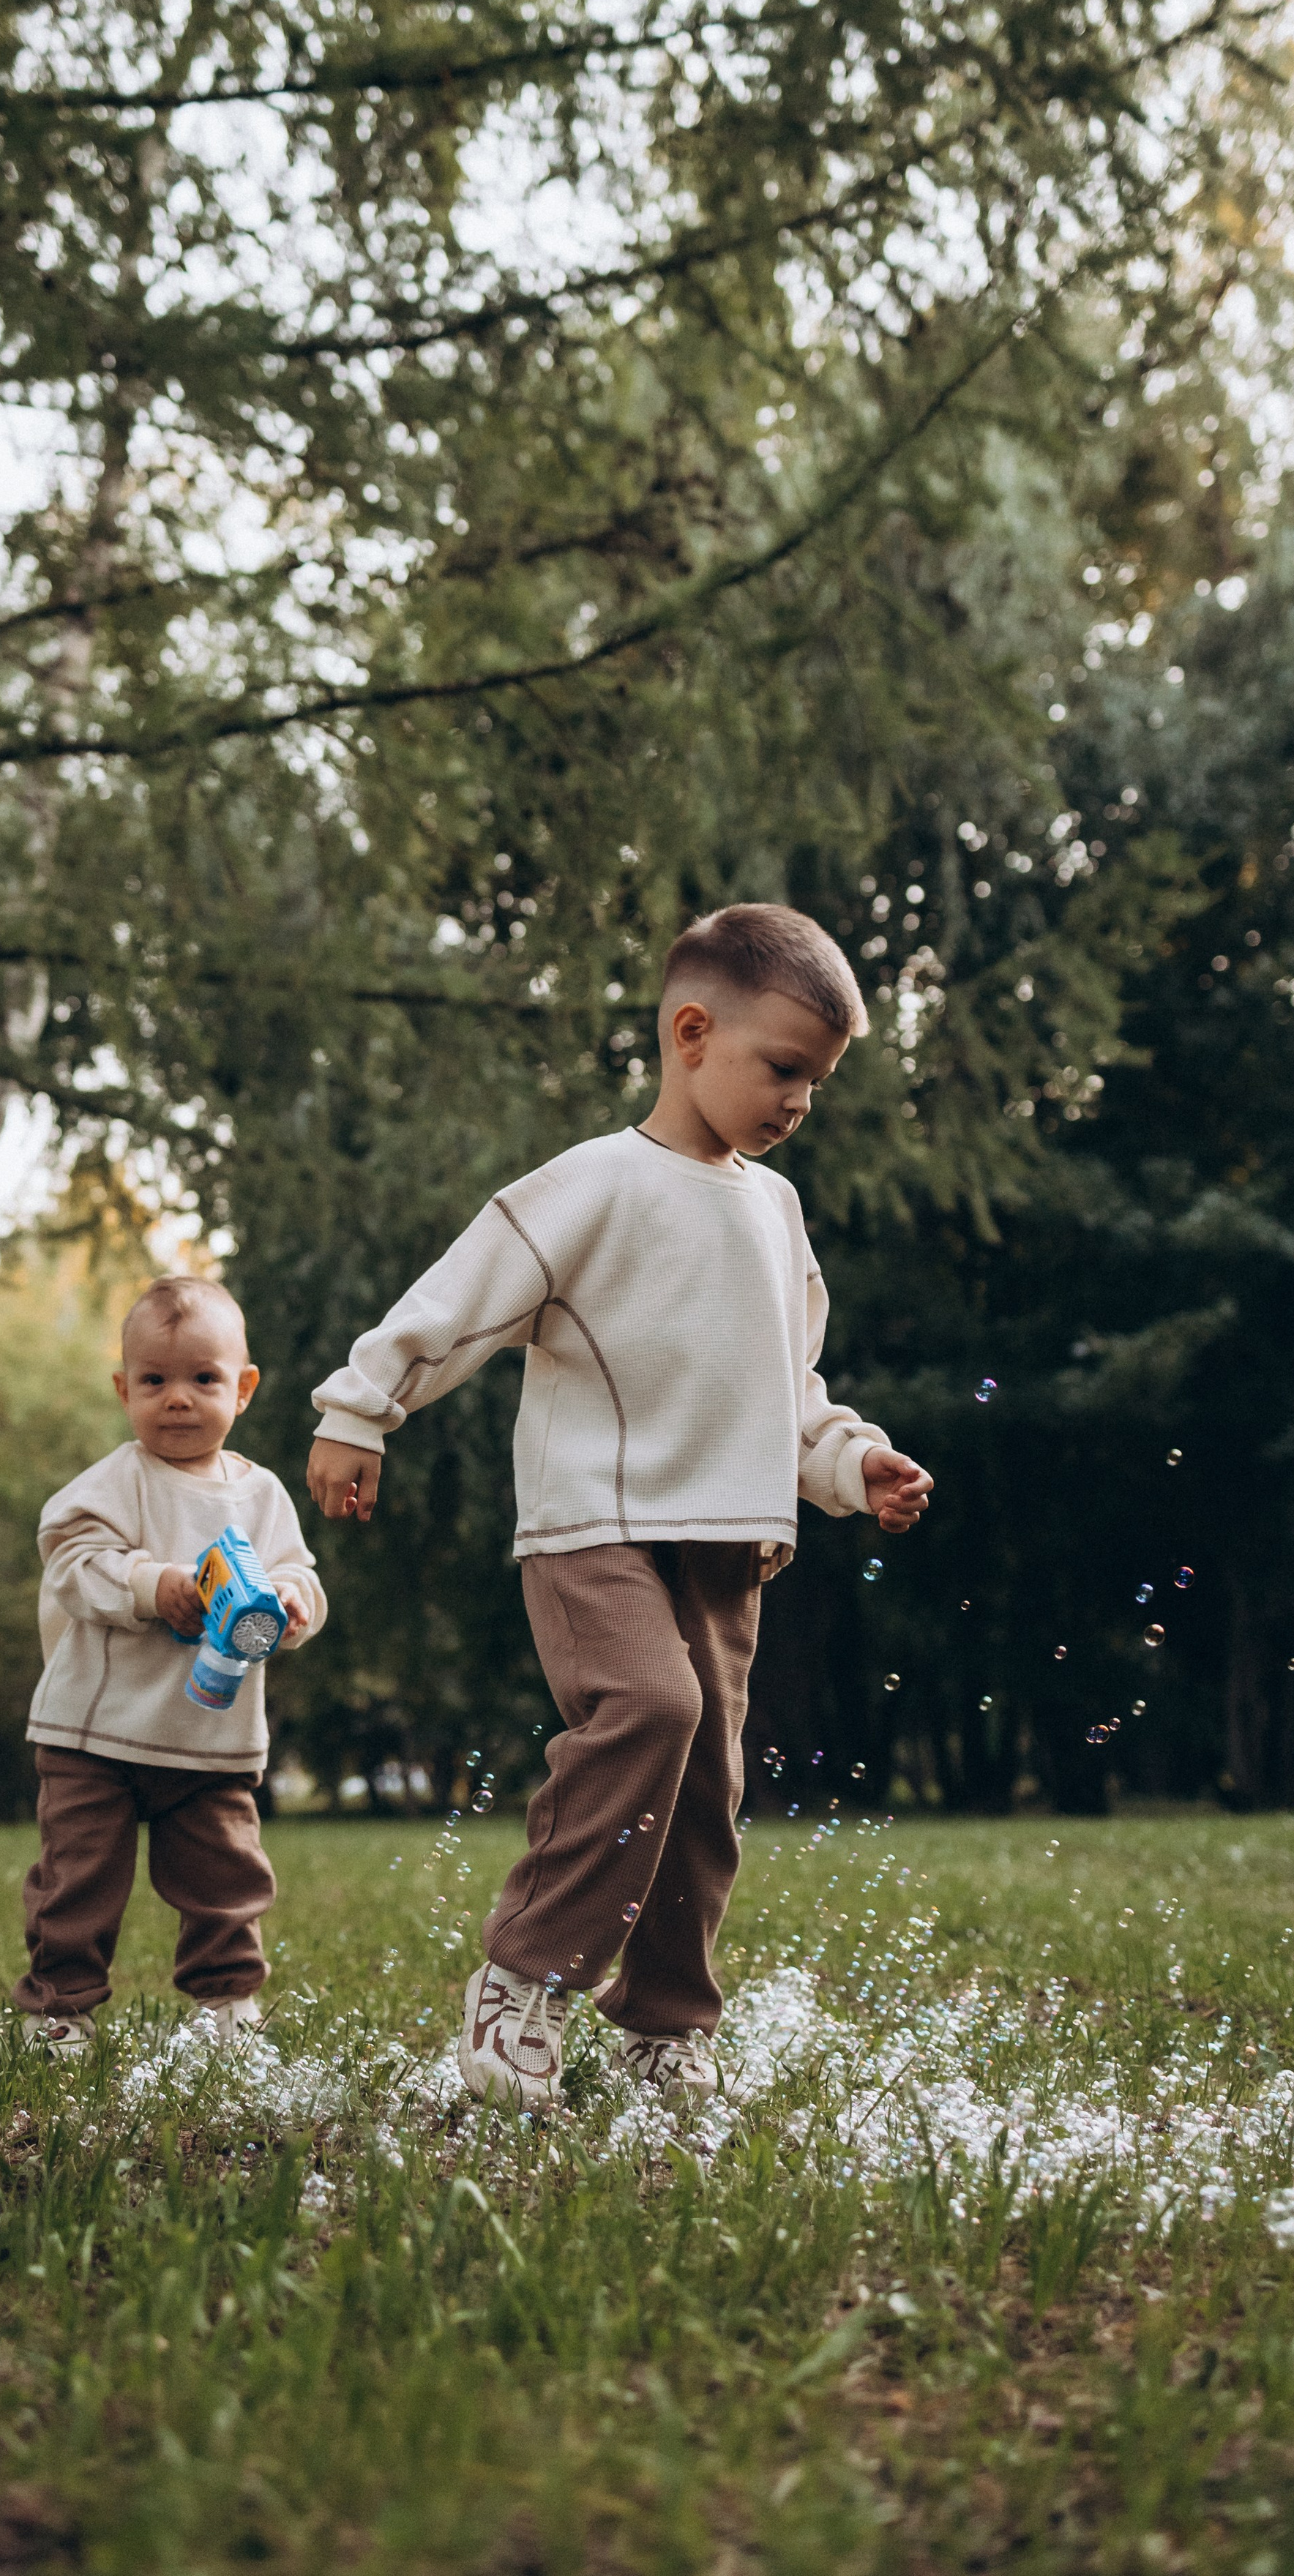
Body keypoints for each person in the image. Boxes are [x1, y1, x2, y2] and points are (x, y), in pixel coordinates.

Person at [307, 902, 932, 2109]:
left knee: (704, 1783)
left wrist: (853, 1465)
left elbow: (788, 1393)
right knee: (651, 1705)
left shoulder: (776, 1211)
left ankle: (664, 2028)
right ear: (692, 1032)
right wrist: (358, 1409)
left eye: (820, 1081)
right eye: (786, 1068)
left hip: (728, 1546)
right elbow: (463, 1302)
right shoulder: (596, 1184)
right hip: (595, 1525)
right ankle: (522, 1981)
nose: (801, 1100)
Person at [12, 1276, 326, 2056]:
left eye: (203, 1379)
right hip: (95, 1733)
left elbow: (301, 1576)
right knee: (77, 1880)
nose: (177, 1400)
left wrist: (289, 1605)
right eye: (154, 1381)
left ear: (243, 1388)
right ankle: (59, 2009)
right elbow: (73, 1564)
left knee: (226, 1881)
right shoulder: (117, 1481)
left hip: (210, 1738)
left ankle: (225, 2008)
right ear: (124, 1389)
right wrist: (156, 1586)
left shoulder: (262, 1495)